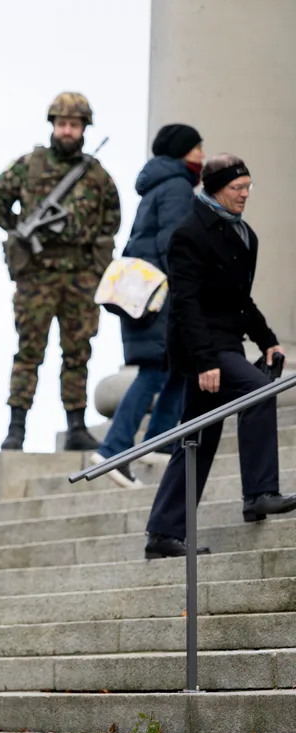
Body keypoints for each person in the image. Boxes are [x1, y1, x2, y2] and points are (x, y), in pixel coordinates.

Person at [142, 154, 296, 559]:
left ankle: (163, 533)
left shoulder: (245, 235)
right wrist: (205, 361)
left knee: (196, 437)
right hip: (202, 349)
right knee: (257, 392)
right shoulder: (189, 234)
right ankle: (260, 492)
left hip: (224, 344)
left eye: (248, 187)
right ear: (214, 189)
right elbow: (186, 304)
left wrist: (268, 339)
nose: (245, 195)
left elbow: (240, 300)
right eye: (237, 188)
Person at [0, 92, 121, 451]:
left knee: (78, 352)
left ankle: (76, 425)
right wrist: (24, 230)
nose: (66, 130)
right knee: (29, 353)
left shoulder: (96, 175)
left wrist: (94, 262)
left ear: (83, 129)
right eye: (61, 124)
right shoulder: (29, 165)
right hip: (38, 276)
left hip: (80, 276)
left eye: (73, 125)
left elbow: (112, 220)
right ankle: (16, 428)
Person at [89, 124, 204, 487]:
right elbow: (175, 245)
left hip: (145, 297)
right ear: (184, 151)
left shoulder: (157, 186)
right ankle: (113, 451)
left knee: (174, 368)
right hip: (162, 299)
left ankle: (160, 441)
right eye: (198, 147)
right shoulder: (177, 187)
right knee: (156, 371)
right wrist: (191, 292)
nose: (202, 154)